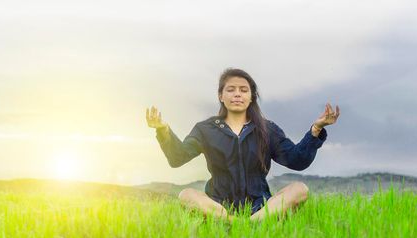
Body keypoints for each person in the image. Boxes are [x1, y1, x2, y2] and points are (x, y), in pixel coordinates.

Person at [146, 68, 340, 222]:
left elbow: (297, 160)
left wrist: (316, 129)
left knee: (300, 189)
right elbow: (177, 158)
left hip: (259, 207)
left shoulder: (267, 129)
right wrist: (162, 129)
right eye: (230, 90)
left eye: (243, 90)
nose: (237, 94)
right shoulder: (206, 129)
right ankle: (234, 222)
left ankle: (249, 223)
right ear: (221, 96)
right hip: (218, 206)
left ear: (251, 96)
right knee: (186, 195)